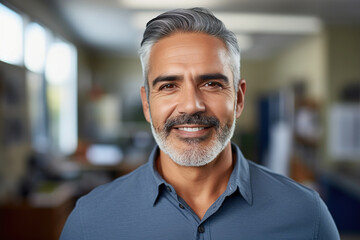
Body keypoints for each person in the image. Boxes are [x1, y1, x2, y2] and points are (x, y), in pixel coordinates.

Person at [60, 8, 339, 239]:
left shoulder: (307, 216)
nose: (192, 104)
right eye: (169, 85)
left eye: (212, 83)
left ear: (239, 98)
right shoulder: (90, 221)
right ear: (147, 104)